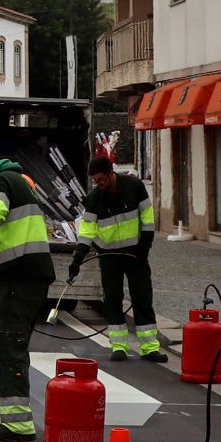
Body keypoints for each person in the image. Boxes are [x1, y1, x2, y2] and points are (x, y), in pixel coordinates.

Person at [0, 152, 55, 442]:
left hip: (21, 278)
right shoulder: (18, 181)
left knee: (9, 344)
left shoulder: (1, 180)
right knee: (9, 343)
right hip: (19, 278)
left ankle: (17, 425)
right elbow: (9, 242)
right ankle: (12, 418)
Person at [69, 155, 164, 362]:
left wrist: (144, 247)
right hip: (108, 256)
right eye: (95, 181)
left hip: (135, 253)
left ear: (111, 173)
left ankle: (149, 347)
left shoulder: (134, 187)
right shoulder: (94, 199)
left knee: (142, 297)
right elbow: (86, 231)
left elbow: (147, 217)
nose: (99, 184)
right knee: (112, 300)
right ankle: (119, 347)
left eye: (101, 179)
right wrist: (77, 259)